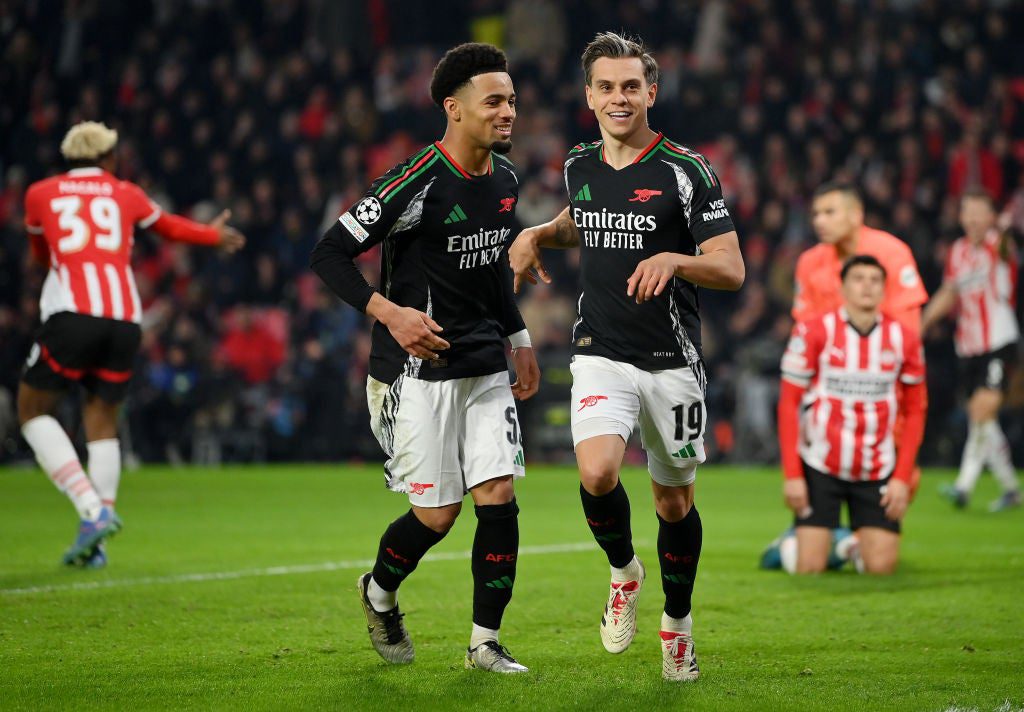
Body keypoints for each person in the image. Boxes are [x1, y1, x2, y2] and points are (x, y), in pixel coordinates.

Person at [509, 32, 744, 682]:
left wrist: (676, 258)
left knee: (674, 504)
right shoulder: (579, 164)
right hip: (601, 351)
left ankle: (678, 625)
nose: (619, 98)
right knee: (598, 474)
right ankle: (623, 572)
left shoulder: (686, 169)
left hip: (673, 360)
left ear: (652, 92)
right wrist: (536, 233)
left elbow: (732, 268)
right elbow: (580, 219)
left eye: (630, 87)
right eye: (606, 87)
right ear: (589, 95)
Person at [310, 43, 539, 674]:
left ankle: (484, 644)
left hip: (484, 366)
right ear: (454, 107)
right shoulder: (415, 180)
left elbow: (492, 269)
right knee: (436, 515)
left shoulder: (507, 180)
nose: (508, 113)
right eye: (494, 101)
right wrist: (390, 313)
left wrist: (517, 339)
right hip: (414, 374)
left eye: (512, 101)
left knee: (497, 494)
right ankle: (378, 593)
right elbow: (329, 252)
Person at [20, 121, 245, 567]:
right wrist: (213, 235)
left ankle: (90, 511)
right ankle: (96, 544)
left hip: (71, 314)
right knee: (101, 419)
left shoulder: (40, 193)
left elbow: (40, 255)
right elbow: (170, 228)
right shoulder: (125, 193)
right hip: (124, 318)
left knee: (31, 410)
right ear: (109, 158)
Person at [760, 181, 928, 572]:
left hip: (882, 395)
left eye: (829, 212)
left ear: (856, 214)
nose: (819, 221)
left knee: (895, 510)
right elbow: (807, 337)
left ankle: (848, 542)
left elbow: (907, 339)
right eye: (816, 213)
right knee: (821, 460)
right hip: (828, 401)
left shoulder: (891, 253)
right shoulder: (810, 262)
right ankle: (808, 537)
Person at [921, 189, 1020, 512]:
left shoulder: (999, 244)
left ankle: (964, 486)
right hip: (968, 347)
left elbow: (1008, 244)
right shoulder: (957, 251)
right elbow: (949, 292)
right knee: (983, 418)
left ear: (991, 217)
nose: (974, 219)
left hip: (999, 341)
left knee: (981, 409)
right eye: (969, 212)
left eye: (981, 212)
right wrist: (921, 323)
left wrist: (1004, 225)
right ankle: (1010, 488)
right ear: (960, 216)